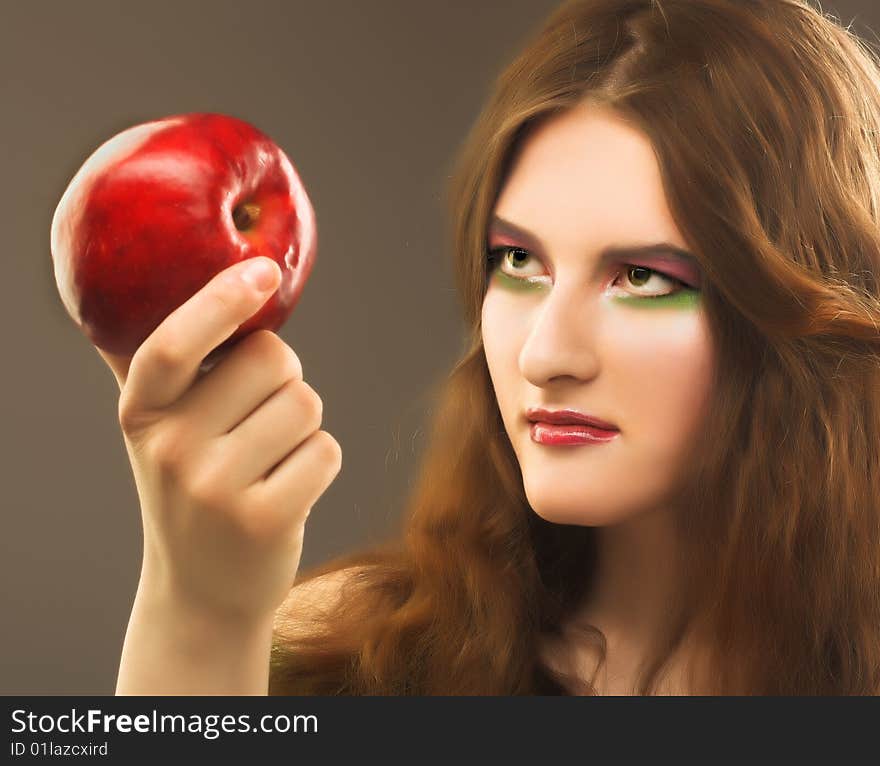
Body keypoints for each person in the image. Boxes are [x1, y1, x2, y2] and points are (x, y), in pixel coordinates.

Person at [98, 0, 880, 696]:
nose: (544, 354)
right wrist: (198, 614)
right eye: (518, 262)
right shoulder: (349, 659)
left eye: (642, 276)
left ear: (802, 314)